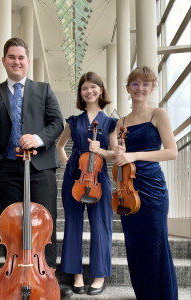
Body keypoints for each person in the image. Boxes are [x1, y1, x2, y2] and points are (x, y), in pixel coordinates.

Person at [0, 37, 72, 297]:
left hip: (40, 166)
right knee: (11, 226)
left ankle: (47, 277)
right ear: (4, 61)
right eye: (12, 57)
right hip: (5, 169)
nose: (16, 62)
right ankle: (12, 279)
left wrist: (38, 138)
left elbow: (56, 122)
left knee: (45, 223)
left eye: (21, 57)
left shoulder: (43, 89)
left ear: (28, 62)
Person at [114, 66, 178, 299]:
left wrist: (135, 154)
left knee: (155, 244)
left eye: (145, 84)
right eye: (135, 84)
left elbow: (172, 152)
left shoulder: (158, 114)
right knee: (136, 245)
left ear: (152, 88)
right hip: (127, 188)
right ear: (128, 88)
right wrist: (107, 151)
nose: (140, 88)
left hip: (151, 187)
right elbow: (117, 154)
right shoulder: (121, 121)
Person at [56, 72, 117, 295]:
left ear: (101, 90)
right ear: (81, 93)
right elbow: (60, 146)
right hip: (76, 175)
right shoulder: (74, 121)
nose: (89, 91)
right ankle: (77, 274)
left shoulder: (110, 122)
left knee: (100, 224)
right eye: (84, 88)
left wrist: (99, 150)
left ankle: (99, 275)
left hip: (99, 176)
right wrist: (68, 164)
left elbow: (113, 154)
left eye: (93, 87)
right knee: (73, 223)